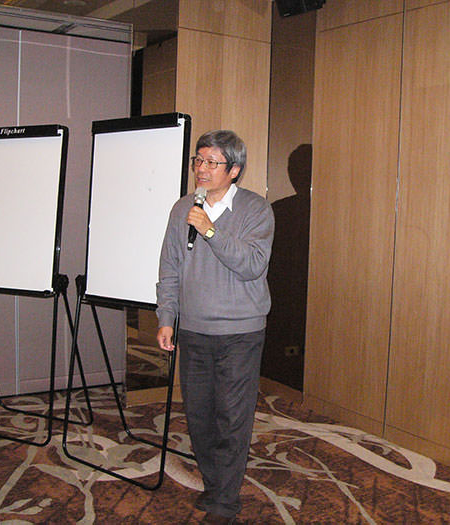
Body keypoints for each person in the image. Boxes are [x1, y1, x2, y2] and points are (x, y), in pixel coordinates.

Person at [155, 130, 274, 524]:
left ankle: (225, 502)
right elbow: (170, 267)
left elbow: (252, 265)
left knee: (232, 418)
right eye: (198, 160)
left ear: (234, 170)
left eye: (212, 162)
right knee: (199, 417)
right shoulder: (182, 208)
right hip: (193, 330)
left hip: (240, 332)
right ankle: (215, 485)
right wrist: (167, 317)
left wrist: (209, 230)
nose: (202, 169)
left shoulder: (256, 210)